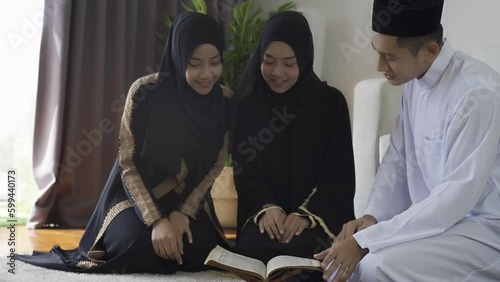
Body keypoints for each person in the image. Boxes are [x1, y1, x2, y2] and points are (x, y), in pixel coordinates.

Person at [17, 12, 232, 274]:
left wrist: (182, 213)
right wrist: (156, 221)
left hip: (187, 203)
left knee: (202, 251)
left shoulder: (225, 103)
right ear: (178, 57)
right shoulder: (144, 93)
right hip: (135, 199)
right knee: (139, 247)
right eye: (195, 63)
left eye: (214, 62)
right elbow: (128, 163)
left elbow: (215, 166)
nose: (206, 74)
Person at [315, 0, 500, 281]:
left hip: (482, 229)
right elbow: (398, 162)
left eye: (389, 57)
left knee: (374, 266)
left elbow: (454, 199)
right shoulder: (414, 83)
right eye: (377, 53)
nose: (379, 66)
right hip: (438, 226)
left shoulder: (476, 93)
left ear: (430, 51)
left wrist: (369, 240)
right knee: (346, 264)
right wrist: (372, 219)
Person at [231, 11, 356, 269]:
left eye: (289, 63)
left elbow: (339, 175)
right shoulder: (248, 106)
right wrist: (267, 209)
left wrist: (305, 216)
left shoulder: (331, 104)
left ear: (304, 58)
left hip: (316, 220)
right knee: (252, 247)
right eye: (269, 61)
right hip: (267, 222)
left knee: (313, 250)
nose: (277, 72)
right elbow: (245, 171)